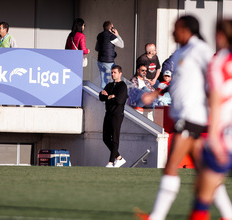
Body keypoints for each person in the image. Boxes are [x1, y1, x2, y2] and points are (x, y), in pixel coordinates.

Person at [135, 15, 227, 220]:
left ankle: (156, 216)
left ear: (186, 29)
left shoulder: (200, 50)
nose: (172, 32)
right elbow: (175, 82)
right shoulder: (179, 54)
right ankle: (228, 214)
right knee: (205, 171)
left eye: (175, 28)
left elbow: (215, 77)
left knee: (170, 165)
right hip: (183, 115)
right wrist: (155, 94)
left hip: (192, 115)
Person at [189, 19, 232, 220]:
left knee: (201, 196)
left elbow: (215, 98)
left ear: (220, 36)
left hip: (224, 136)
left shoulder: (219, 61)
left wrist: (213, 136)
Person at [99, 65, 128, 168]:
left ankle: (111, 162)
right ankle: (119, 158)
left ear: (120, 73)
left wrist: (109, 97)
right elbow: (101, 96)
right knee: (105, 138)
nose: (112, 74)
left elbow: (120, 100)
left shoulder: (122, 86)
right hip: (108, 114)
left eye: (114, 72)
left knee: (115, 138)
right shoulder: (109, 85)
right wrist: (109, 96)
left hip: (117, 115)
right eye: (111, 72)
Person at [96, 21, 124, 88]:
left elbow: (96, 48)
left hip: (100, 61)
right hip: (109, 62)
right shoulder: (111, 36)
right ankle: (111, 94)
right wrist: (117, 35)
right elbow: (122, 45)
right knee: (114, 78)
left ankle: (102, 96)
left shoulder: (99, 35)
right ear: (111, 27)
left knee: (103, 80)